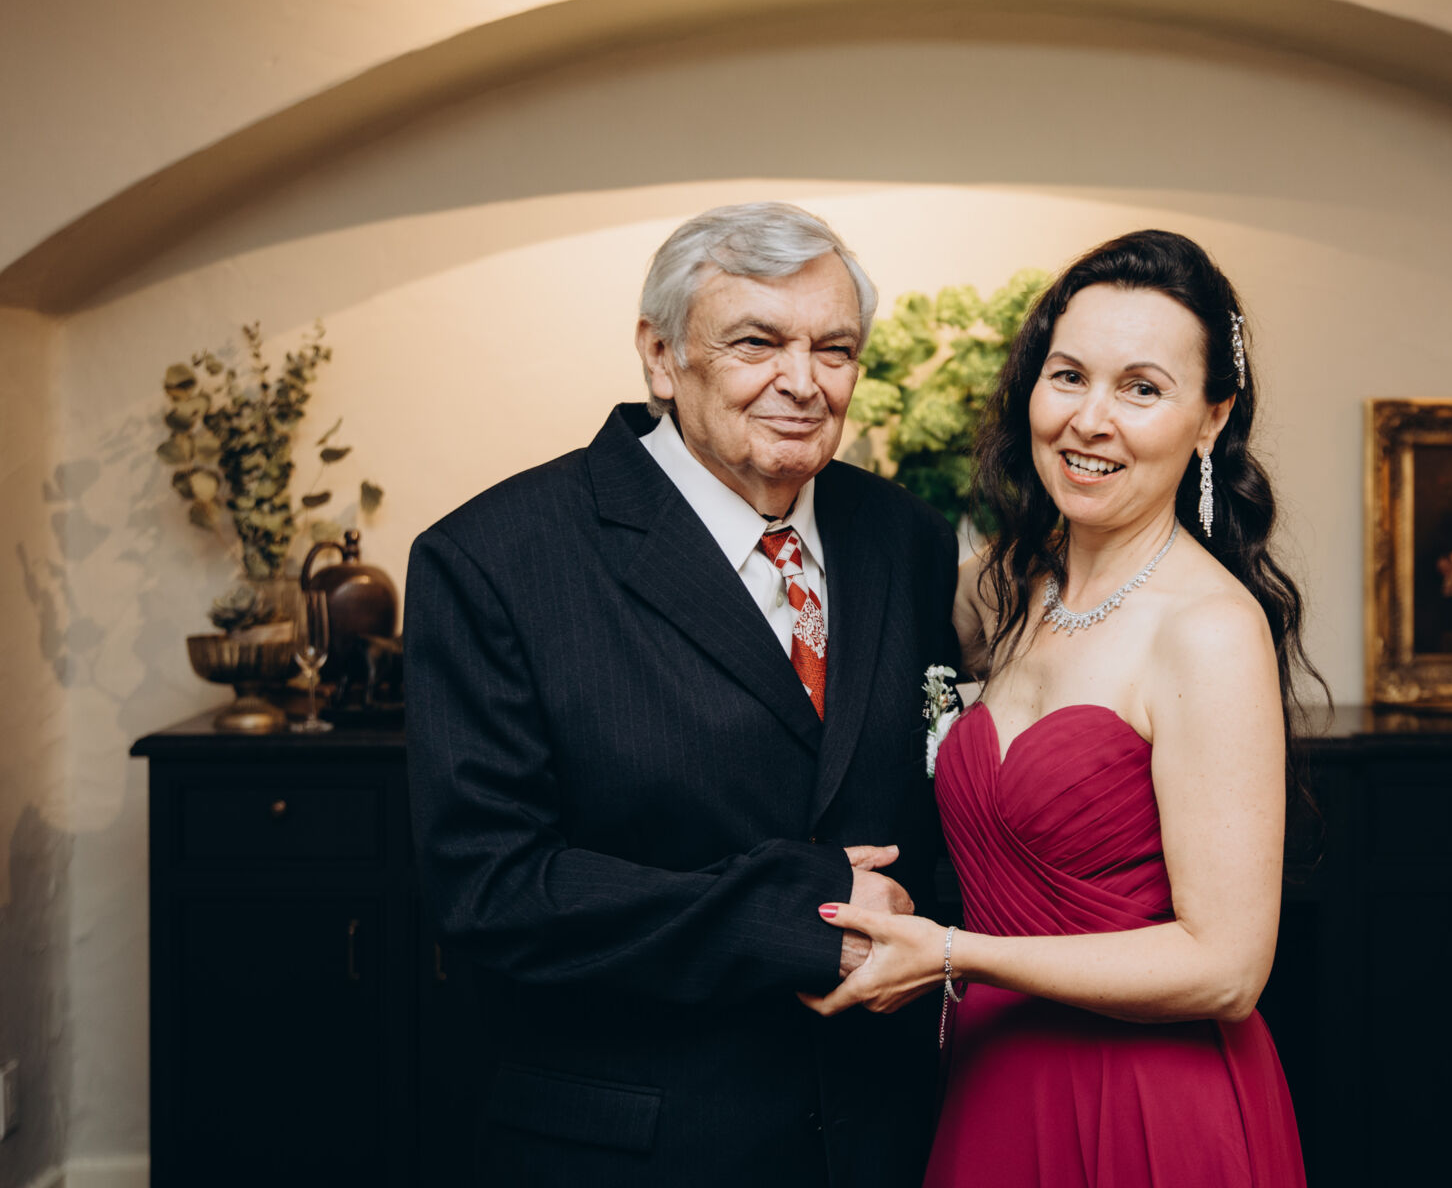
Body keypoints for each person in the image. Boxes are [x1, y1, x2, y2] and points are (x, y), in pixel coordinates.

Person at [406, 202, 960, 1188]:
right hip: (637, 1145)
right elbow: (491, 889)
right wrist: (795, 916)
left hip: (887, 1131)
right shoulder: (494, 558)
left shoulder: (906, 537)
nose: (803, 381)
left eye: (834, 348)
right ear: (660, 356)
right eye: (757, 342)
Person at [803, 230, 1316, 1186]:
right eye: (1069, 376)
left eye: (1142, 389)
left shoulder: (1208, 630)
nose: (1090, 420)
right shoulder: (1006, 589)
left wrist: (952, 953)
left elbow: (1228, 969)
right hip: (991, 1081)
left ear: (1211, 419)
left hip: (1144, 1102)